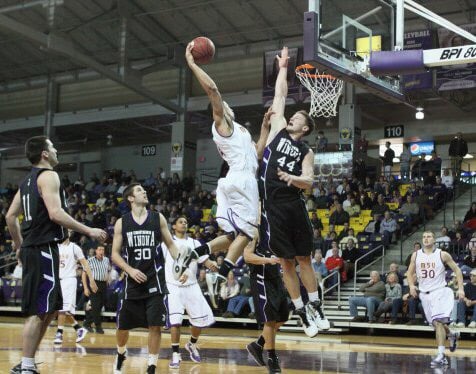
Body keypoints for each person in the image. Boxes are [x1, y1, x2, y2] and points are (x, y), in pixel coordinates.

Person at [6, 136, 107, 374]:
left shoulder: (26, 182)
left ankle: (27, 362)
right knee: (39, 310)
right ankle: (28, 366)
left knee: (50, 309)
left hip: (36, 248)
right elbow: (55, 212)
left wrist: (19, 245)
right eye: (52, 147)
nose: (56, 150)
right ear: (44, 154)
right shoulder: (49, 175)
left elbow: (11, 216)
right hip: (43, 247)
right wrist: (88, 229)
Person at [176, 40, 269, 285]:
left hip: (233, 181)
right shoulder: (222, 124)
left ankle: (197, 252)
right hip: (242, 180)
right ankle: (224, 270)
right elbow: (213, 90)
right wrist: (192, 64)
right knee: (250, 232)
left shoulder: (239, 131)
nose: (226, 103)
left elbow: (257, 155)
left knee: (233, 234)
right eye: (222, 104)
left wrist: (264, 127)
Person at [256, 46, 329, 337]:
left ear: (306, 127)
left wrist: (292, 176)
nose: (292, 117)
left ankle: (317, 307)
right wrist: (283, 67)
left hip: (293, 205)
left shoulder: (305, 150)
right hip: (273, 208)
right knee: (286, 262)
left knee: (304, 260)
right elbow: (281, 95)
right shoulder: (276, 130)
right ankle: (301, 313)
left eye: (298, 117)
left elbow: (309, 182)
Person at [110, 183, 186, 374]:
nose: (144, 191)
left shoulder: (157, 218)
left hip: (155, 280)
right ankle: (121, 353)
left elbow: (170, 244)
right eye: (139, 190)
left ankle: (151, 365)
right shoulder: (122, 222)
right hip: (132, 281)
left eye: (144, 189)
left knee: (155, 325)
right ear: (130, 198)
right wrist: (129, 270)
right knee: (122, 327)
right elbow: (115, 254)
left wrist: (182, 267)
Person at [163, 216, 216, 369]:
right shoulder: (166, 243)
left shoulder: (195, 242)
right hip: (172, 286)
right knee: (175, 322)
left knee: (199, 321)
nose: (184, 223)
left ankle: (191, 344)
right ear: (173, 226)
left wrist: (210, 263)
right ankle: (175, 354)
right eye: (180, 221)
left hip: (192, 286)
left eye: (186, 222)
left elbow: (203, 259)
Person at [407, 231, 465, 368]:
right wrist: (411, 286)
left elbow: (457, 270)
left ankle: (441, 355)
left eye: (429, 237)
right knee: (435, 324)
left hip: (440, 292)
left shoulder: (442, 254)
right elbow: (409, 272)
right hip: (424, 294)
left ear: (434, 240)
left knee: (438, 322)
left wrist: (461, 289)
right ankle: (452, 334)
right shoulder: (416, 255)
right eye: (424, 237)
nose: (426, 239)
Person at [244, 233, 287, 374]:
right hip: (261, 280)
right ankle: (272, 358)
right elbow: (247, 257)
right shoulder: (254, 235)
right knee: (270, 320)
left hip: (276, 279)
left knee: (282, 318)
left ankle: (258, 345)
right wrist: (268, 260)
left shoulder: (275, 234)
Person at [54, 230, 97, 345]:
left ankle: (59, 332)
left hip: (69, 280)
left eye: (67, 230)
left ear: (70, 233)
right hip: (58, 280)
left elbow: (86, 265)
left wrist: (91, 280)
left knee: (62, 308)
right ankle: (79, 329)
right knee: (63, 310)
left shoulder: (75, 248)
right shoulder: (55, 246)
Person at [82, 245, 111, 334]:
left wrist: (107, 279)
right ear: (96, 251)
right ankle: (98, 326)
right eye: (99, 249)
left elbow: (107, 270)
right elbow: (84, 274)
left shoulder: (106, 259)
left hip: (103, 285)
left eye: (103, 250)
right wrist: (86, 288)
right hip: (94, 284)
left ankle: (87, 323)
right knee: (96, 306)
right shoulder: (90, 260)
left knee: (98, 306)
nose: (101, 251)